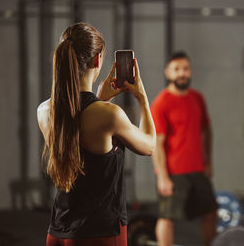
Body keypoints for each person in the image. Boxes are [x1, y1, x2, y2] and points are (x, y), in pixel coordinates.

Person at [37, 22, 156, 246]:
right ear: (97, 60)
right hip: (99, 233)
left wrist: (101, 100)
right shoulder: (108, 115)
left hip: (57, 233)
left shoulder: (44, 110)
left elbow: (77, 132)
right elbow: (149, 145)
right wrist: (141, 97)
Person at [151, 51, 218, 246]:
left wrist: (208, 162)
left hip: (198, 169)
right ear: (168, 73)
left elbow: (206, 131)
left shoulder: (198, 98)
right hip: (173, 172)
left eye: (186, 69)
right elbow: (158, 143)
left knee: (210, 213)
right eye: (177, 69)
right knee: (167, 217)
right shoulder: (161, 103)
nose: (182, 73)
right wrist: (162, 176)